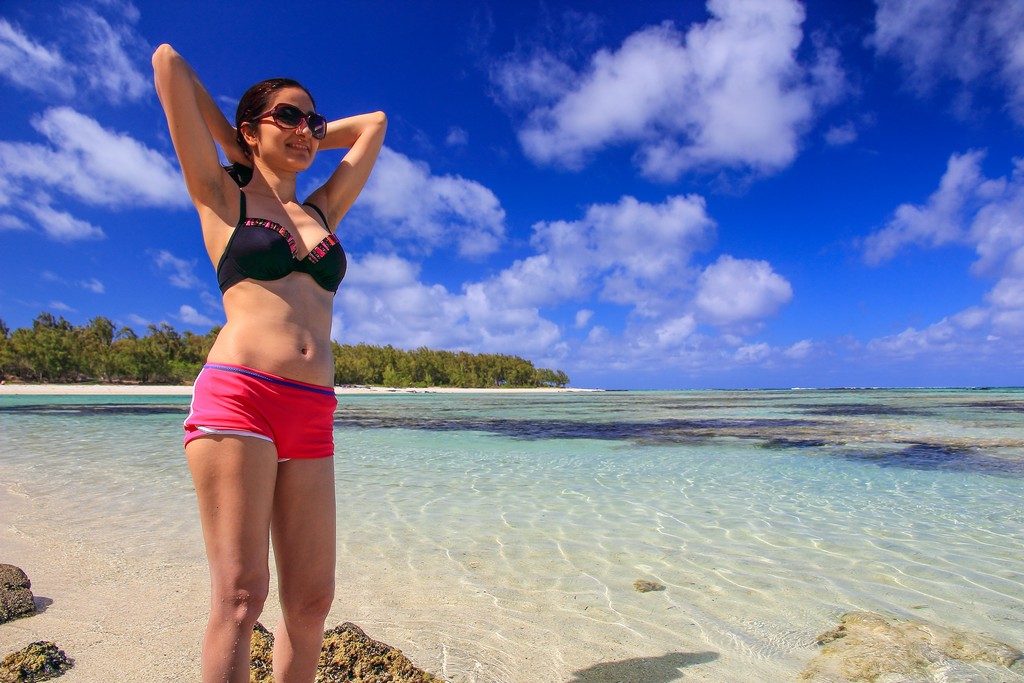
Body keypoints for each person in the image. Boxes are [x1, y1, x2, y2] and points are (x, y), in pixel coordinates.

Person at [151, 44, 386, 683]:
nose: (307, 130)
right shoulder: (220, 195)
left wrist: (297, 134)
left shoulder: (321, 211)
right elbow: (168, 62)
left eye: (313, 120)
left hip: (313, 411)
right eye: (289, 116)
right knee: (240, 596)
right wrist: (239, 148)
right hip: (240, 399)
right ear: (250, 129)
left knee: (311, 601)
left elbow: (373, 125)